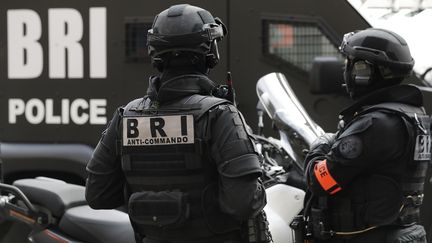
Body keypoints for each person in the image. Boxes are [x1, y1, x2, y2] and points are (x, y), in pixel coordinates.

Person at [85, 4, 267, 243]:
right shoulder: (219, 114)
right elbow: (243, 203)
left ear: (156, 52)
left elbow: (98, 195)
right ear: (209, 50)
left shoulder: (126, 116)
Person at [302, 28, 430, 242]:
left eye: (350, 64)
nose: (346, 71)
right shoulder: (415, 116)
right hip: (402, 234)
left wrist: (320, 146)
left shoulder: (373, 125)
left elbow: (322, 182)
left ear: (364, 71)